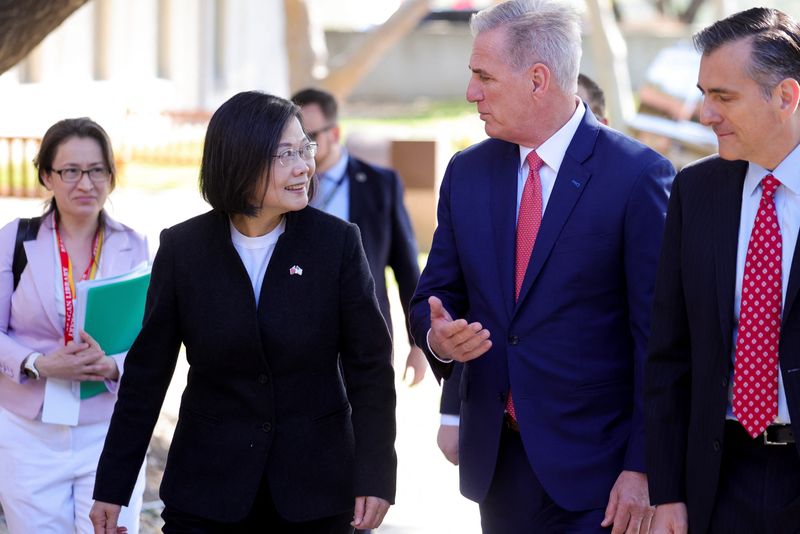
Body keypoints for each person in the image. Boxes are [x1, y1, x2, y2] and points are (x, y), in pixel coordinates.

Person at [409, 1, 675, 532]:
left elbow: (660, 341)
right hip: (500, 468)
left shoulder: (637, 176)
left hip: (601, 477)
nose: (471, 93)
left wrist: (645, 466)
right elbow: (433, 297)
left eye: (484, 76)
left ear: (537, 79)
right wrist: (439, 340)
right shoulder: (468, 173)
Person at [89, 91, 397, 533]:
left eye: (304, 148)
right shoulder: (183, 249)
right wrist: (113, 487)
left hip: (316, 489)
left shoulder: (337, 244)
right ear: (240, 161)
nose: (304, 166)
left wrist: (376, 475)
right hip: (207, 490)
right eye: (285, 154)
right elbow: (146, 376)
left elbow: (369, 368)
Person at [646, 8, 800, 533]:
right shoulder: (696, 191)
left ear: (786, 96)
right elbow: (669, 354)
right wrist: (666, 492)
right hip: (717, 481)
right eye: (703, 93)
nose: (704, 113)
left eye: (723, 97)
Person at [0, 118, 148, 533]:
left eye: (97, 170)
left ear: (111, 177)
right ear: (47, 175)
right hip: (28, 432)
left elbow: (151, 340)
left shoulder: (136, 246)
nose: (85, 183)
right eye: (71, 171)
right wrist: (38, 363)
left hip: (108, 432)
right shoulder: (14, 240)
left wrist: (114, 364)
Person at [291, 87, 426, 386]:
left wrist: (418, 344)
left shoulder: (381, 184)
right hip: (297, 342)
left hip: (366, 339)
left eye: (310, 138)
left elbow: (406, 267)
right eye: (294, 142)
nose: (303, 150)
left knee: (368, 428)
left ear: (335, 133)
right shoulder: (284, 184)